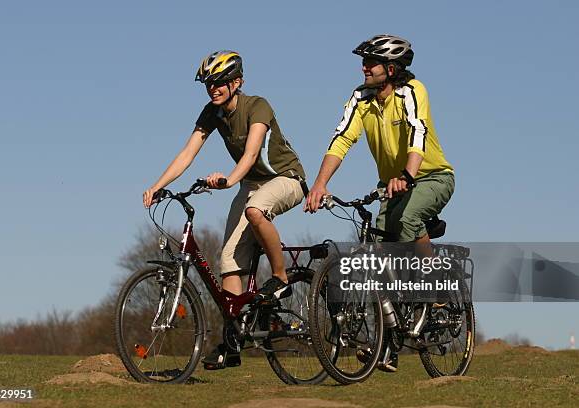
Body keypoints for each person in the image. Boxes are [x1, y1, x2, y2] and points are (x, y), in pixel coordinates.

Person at [143, 50, 307, 369]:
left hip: (285, 178)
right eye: (208, 83)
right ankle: (232, 343)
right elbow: (188, 152)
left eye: (219, 82)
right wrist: (157, 184)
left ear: (237, 82)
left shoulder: (257, 106)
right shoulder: (212, 112)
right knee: (229, 261)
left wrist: (230, 180)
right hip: (250, 183)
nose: (213, 89)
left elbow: (249, 154)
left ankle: (280, 276)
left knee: (255, 210)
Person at [304, 35, 455, 372]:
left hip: (431, 177)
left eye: (370, 62)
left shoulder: (413, 91)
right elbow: (342, 138)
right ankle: (387, 345)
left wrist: (407, 174)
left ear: (390, 68)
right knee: (382, 258)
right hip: (392, 186)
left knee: (408, 219)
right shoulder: (361, 98)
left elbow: (418, 131)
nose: (363, 68)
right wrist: (319, 184)